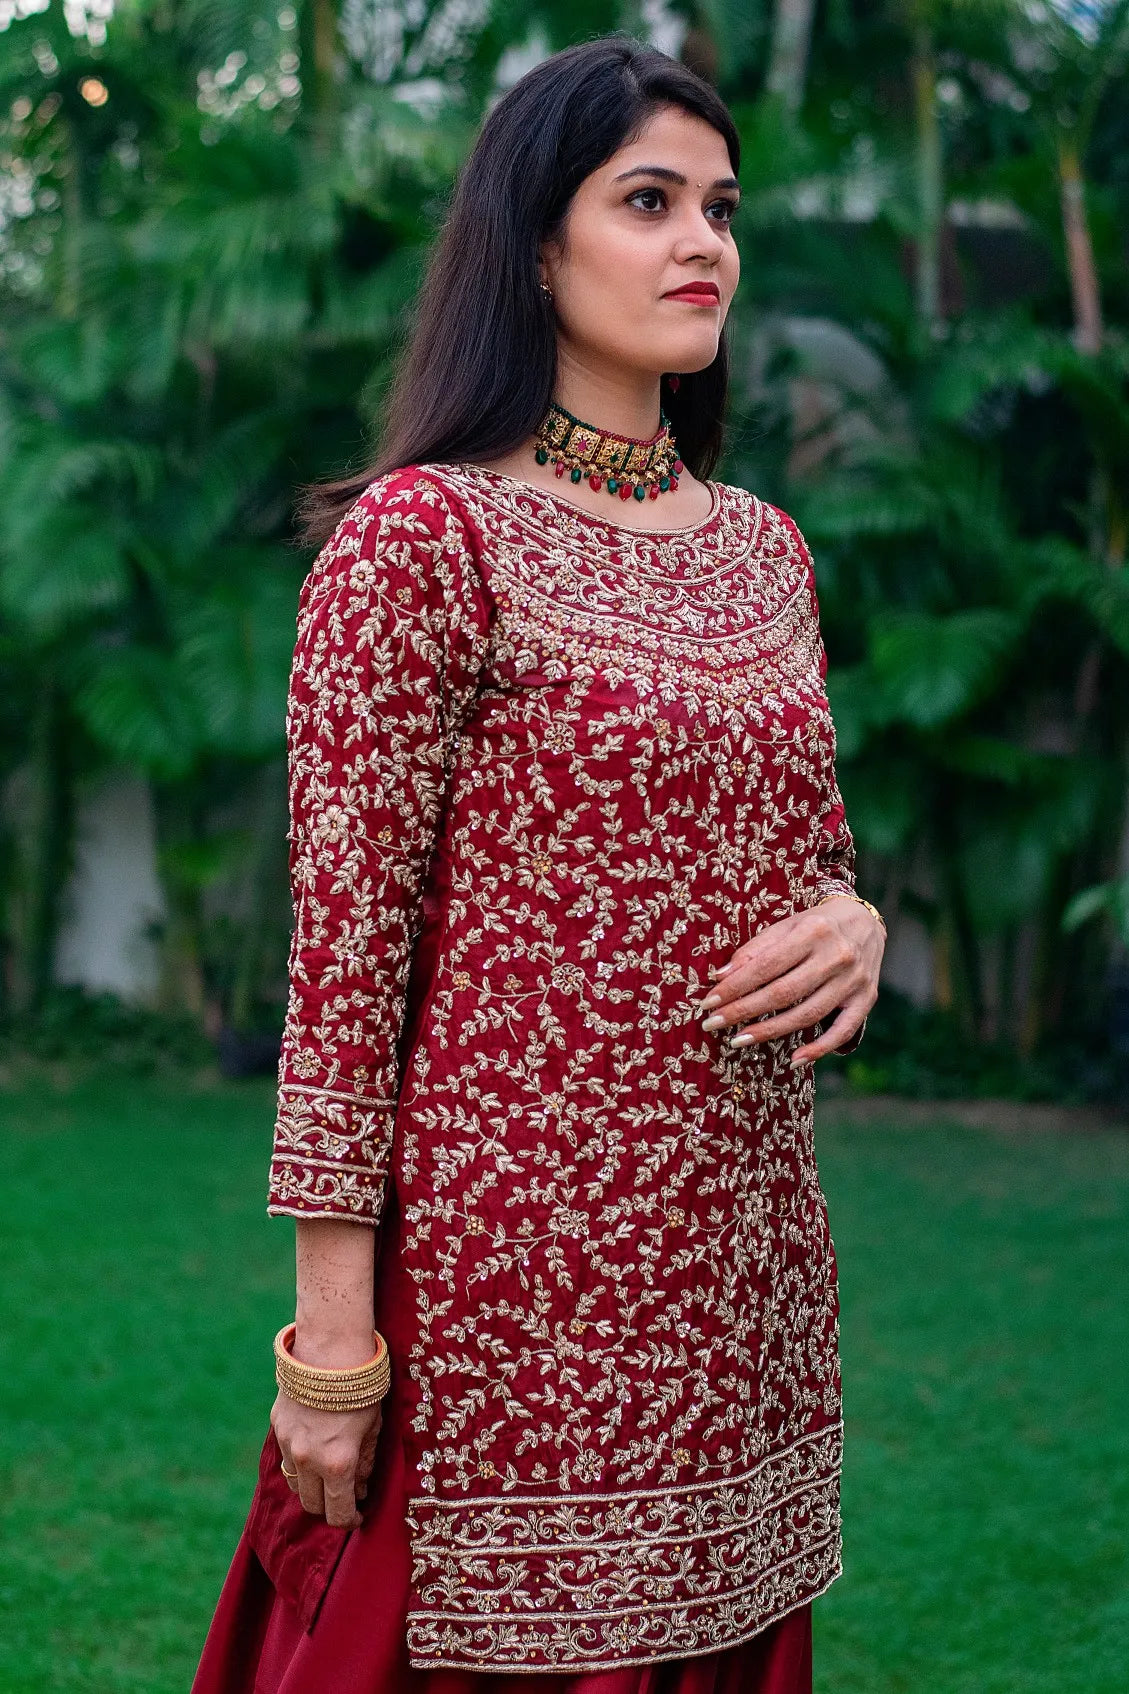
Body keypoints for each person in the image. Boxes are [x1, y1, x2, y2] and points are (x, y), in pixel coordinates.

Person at [191, 33, 885, 1694]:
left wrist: (857, 921)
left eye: (720, 205)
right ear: (530, 241)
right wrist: (335, 1349)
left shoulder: (764, 552)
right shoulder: (423, 541)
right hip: (513, 1309)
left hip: (740, 1287)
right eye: (647, 201)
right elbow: (346, 962)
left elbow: (816, 858)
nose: (702, 241)